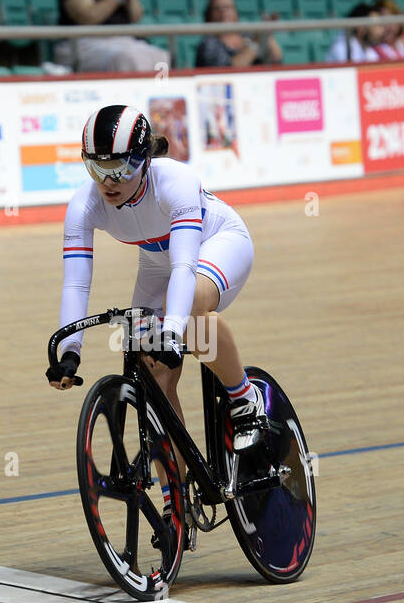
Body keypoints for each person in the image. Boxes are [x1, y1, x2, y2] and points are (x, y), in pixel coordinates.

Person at [48, 105, 268, 490]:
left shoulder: (175, 180)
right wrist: (71, 350)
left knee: (193, 308)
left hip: (216, 243)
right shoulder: (83, 205)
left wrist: (172, 331)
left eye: (118, 169)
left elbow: (185, 266)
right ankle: (177, 497)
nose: (107, 182)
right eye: (96, 168)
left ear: (142, 159)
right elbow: (76, 284)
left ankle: (244, 398)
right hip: (156, 261)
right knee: (151, 373)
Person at [194, 0, 283, 68]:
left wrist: (267, 33)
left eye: (227, 7)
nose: (223, 12)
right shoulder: (208, 44)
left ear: (235, 12)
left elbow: (276, 60)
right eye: (217, 8)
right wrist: (256, 43)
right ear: (209, 14)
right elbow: (229, 70)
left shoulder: (247, 35)